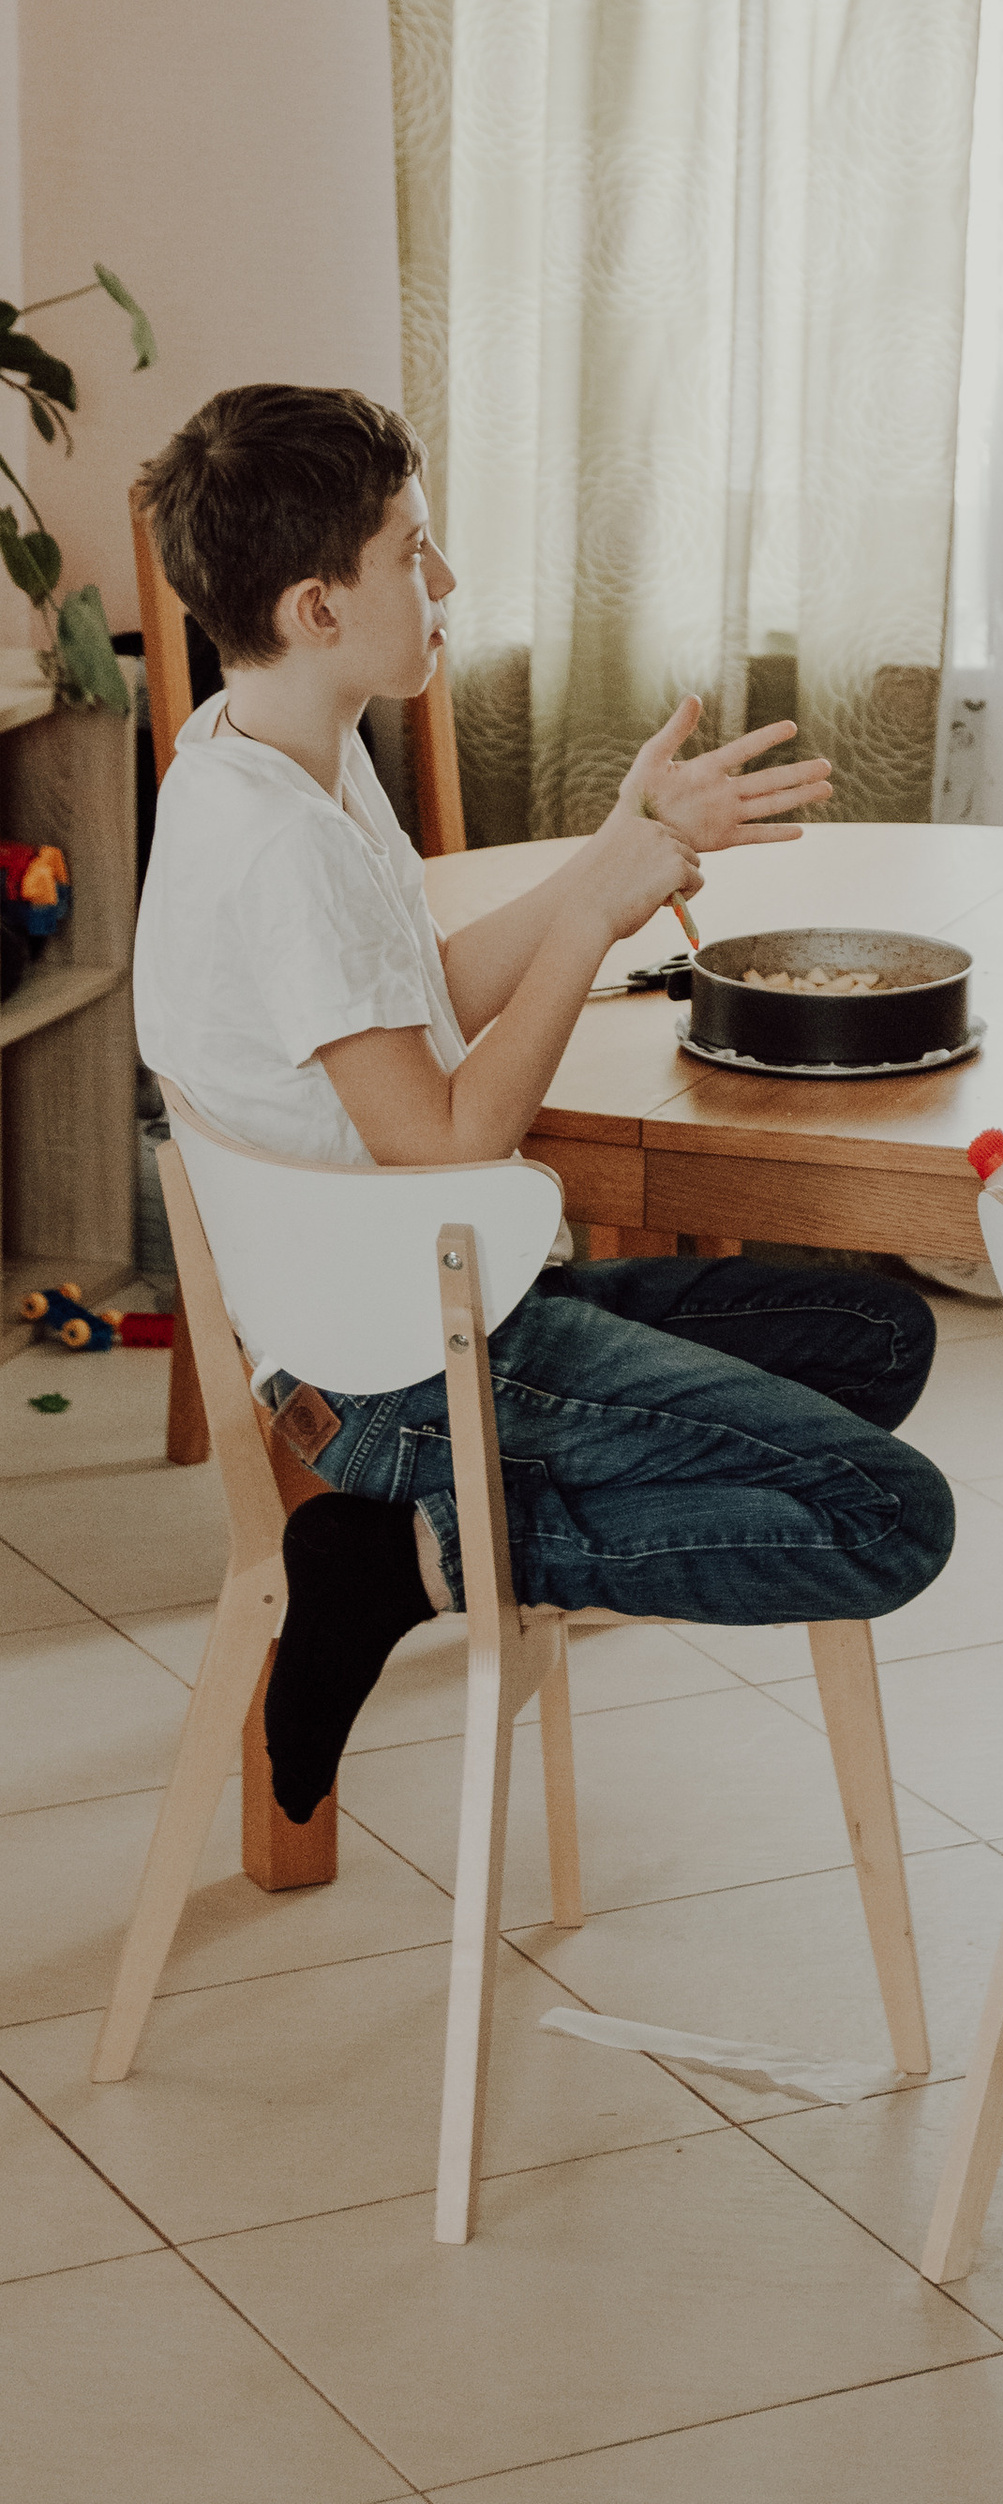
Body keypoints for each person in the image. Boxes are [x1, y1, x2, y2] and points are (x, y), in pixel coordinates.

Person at [132, 385, 955, 1820]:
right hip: (392, 1372)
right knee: (893, 1514)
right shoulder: (280, 853)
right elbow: (449, 1142)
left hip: (431, 1306)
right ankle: (406, 1561)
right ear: (321, 605)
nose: (444, 581)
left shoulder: (267, 754)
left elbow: (424, 988)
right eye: (414, 550)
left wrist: (620, 852)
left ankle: (443, 1548)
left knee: (871, 1332)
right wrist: (594, 922)